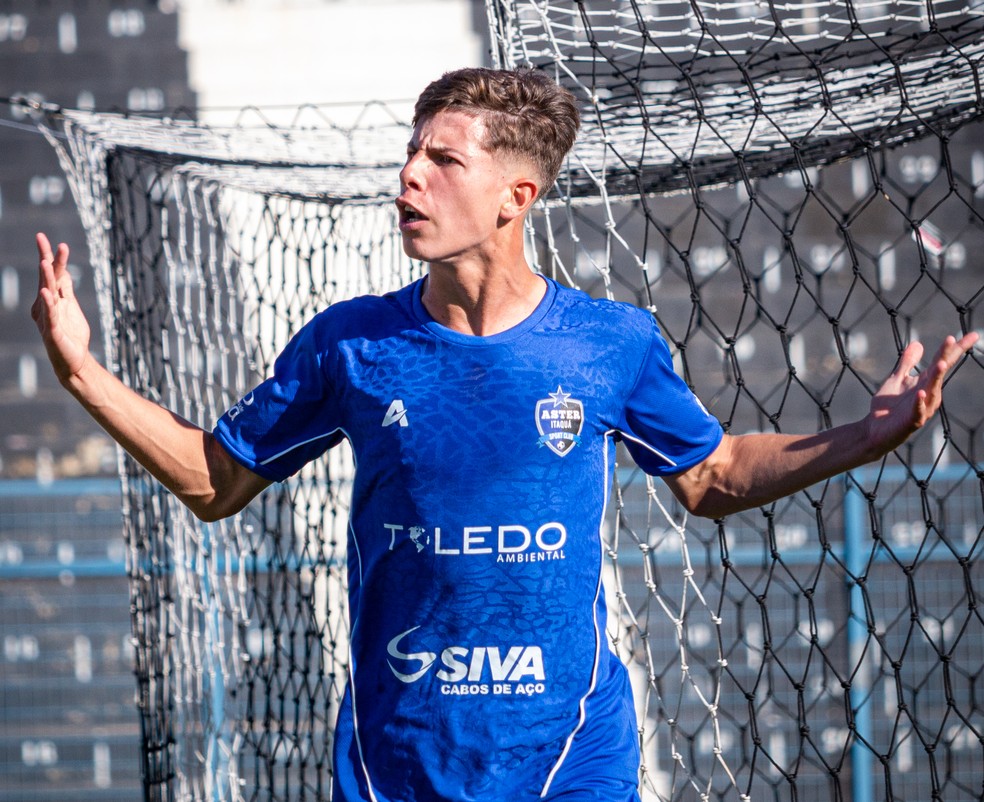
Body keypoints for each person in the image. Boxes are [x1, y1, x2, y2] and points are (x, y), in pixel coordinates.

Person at [32, 67, 977, 802]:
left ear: (514, 197)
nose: (409, 174)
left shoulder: (609, 343)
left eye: (443, 160)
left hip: (572, 750)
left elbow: (714, 474)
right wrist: (81, 370)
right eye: (412, 153)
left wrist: (865, 433)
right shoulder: (351, 343)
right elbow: (212, 480)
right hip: (396, 754)